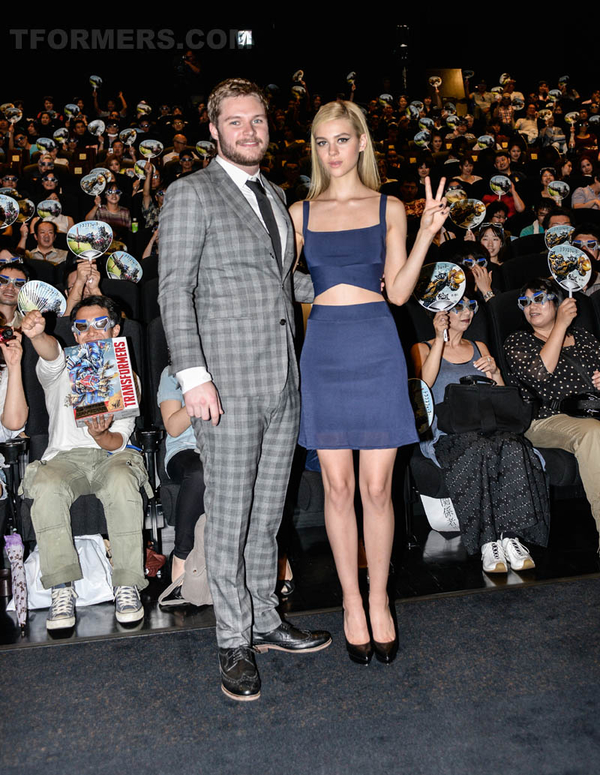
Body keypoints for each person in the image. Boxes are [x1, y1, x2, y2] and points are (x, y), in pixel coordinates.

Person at [158, 77, 331, 703]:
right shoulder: (190, 193)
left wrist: (347, 289)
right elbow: (174, 289)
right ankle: (232, 640)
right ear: (213, 128)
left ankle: (263, 619)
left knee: (268, 515)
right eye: (236, 122)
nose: (249, 131)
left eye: (257, 120)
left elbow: (282, 285)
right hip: (224, 385)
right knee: (229, 521)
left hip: (283, 379)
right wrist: (194, 376)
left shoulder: (276, 194)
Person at [289, 99, 448, 666]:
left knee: (378, 489)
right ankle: (351, 604)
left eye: (341, 140)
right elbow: (275, 281)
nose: (332, 152)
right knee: (337, 489)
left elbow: (401, 292)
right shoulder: (299, 213)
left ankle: (380, 600)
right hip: (326, 348)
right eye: (323, 142)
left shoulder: (390, 207)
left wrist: (427, 231)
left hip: (377, 346)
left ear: (361, 143)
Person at [20, 296, 151, 631]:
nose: (92, 332)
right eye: (82, 326)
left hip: (112, 455)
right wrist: (36, 336)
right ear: (75, 334)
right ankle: (62, 590)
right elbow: (49, 352)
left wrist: (101, 434)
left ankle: (126, 584)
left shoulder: (126, 375)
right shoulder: (61, 365)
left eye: (100, 324)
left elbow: (119, 440)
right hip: (64, 458)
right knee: (46, 485)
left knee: (122, 481)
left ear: (115, 329)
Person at [411, 298, 549, 573]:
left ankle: (509, 536)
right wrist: (439, 340)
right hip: (446, 433)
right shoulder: (422, 348)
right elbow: (422, 387)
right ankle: (488, 542)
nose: (468, 313)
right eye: (459, 307)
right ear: (442, 313)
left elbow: (501, 395)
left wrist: (496, 372)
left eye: (471, 306)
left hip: (488, 427)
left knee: (512, 445)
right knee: (480, 448)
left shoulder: (479, 347)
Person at [504, 278, 600, 547]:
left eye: (539, 299)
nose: (531, 306)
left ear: (557, 302)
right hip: (544, 419)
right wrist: (560, 325)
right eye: (525, 302)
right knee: (592, 433)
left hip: (592, 411)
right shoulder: (519, 341)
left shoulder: (583, 337)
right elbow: (539, 374)